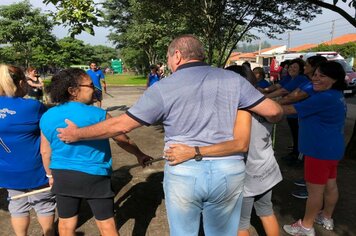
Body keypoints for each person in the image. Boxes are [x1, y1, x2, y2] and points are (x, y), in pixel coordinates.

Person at [57, 34, 283, 236]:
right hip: (228, 170)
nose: (168, 63)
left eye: (167, 58)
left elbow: (121, 125)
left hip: (185, 171)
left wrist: (78, 134)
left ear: (177, 55)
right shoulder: (233, 80)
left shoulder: (164, 87)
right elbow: (274, 111)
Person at [165, 65, 282, 236]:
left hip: (248, 176)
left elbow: (238, 144)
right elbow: (276, 114)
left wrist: (193, 150)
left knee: (240, 226)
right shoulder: (265, 106)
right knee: (266, 212)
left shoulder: (237, 111)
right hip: (266, 170)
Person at [40, 68, 152, 236]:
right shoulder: (99, 114)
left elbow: (45, 152)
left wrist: (50, 176)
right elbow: (123, 140)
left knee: (65, 224)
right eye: (90, 85)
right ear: (73, 91)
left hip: (62, 175)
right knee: (107, 225)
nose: (95, 89)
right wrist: (140, 154)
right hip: (94, 175)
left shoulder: (47, 115)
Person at [282, 61, 347, 236]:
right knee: (330, 185)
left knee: (314, 192)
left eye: (322, 76)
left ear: (334, 79)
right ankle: (326, 216)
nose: (316, 79)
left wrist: (261, 106)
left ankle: (306, 226)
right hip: (332, 149)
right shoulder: (335, 94)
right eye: (316, 75)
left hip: (318, 151)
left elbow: (289, 108)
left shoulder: (323, 98)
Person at [0, 64, 55, 236]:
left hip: (7, 169)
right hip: (35, 168)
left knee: (17, 206)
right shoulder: (31, 106)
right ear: (22, 82)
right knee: (44, 205)